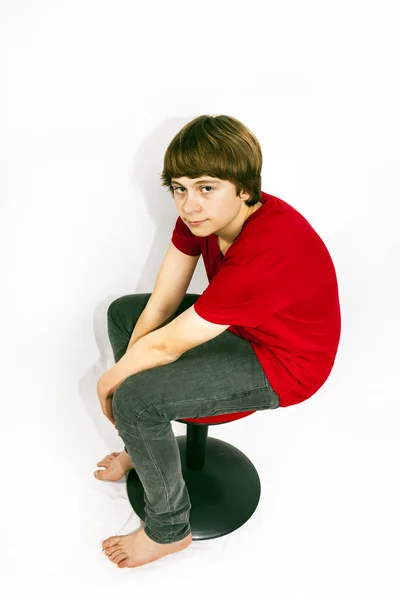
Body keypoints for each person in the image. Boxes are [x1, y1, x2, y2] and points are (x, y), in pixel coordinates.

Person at [95, 114, 341, 568]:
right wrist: (124, 374)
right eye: (180, 187)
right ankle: (144, 447)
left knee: (135, 398)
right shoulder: (202, 220)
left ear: (244, 188)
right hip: (247, 327)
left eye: (207, 187)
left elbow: (166, 347)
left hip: (286, 363)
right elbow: (161, 304)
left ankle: (169, 530)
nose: (189, 205)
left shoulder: (268, 249)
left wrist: (107, 385)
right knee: (124, 314)